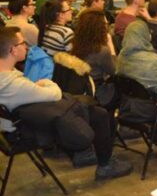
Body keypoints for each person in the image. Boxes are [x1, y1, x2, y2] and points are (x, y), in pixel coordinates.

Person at [0, 27, 132, 180]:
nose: (27, 46)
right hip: (27, 131)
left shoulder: (8, 77)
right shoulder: (13, 84)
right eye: (22, 43)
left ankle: (87, 154)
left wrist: (40, 87)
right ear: (12, 50)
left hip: (19, 123)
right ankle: (104, 165)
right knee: (99, 114)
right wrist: (46, 83)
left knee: (87, 107)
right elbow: (55, 92)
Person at [71, 9, 116, 107]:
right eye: (105, 24)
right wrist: (111, 47)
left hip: (78, 90)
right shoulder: (101, 51)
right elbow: (114, 71)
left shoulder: (73, 44)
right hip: (97, 92)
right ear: (100, 28)